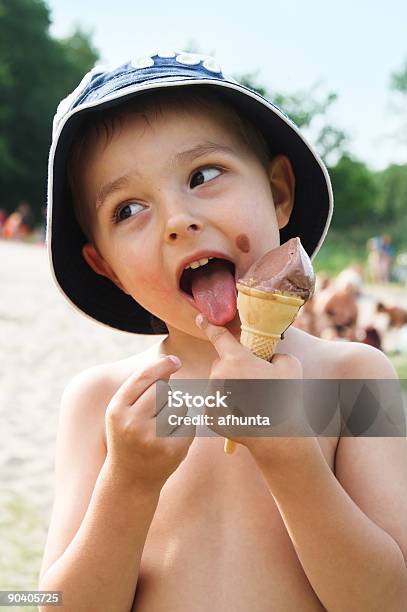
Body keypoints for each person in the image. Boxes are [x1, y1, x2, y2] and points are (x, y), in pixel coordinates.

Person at [38, 51, 407, 610]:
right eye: (128, 208)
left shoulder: (354, 377)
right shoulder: (103, 405)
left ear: (279, 191)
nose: (177, 221)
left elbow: (390, 599)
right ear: (106, 267)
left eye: (203, 175)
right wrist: (127, 487)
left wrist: (291, 456)